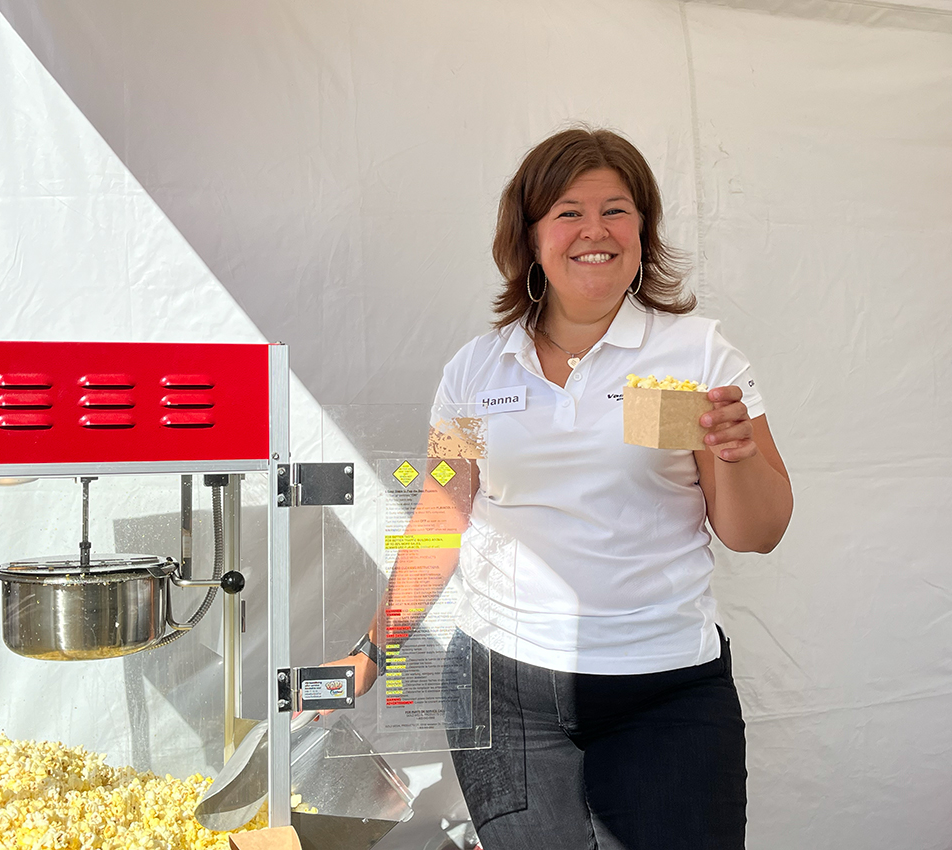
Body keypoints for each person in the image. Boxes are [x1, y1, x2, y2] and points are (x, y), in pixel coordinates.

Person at [338, 128, 793, 850]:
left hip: (664, 690)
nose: (594, 230)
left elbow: (756, 533)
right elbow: (441, 514)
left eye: (616, 210)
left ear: (643, 230)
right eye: (568, 212)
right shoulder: (476, 371)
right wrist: (376, 643)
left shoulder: (697, 355)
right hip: (501, 694)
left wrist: (735, 455)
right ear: (531, 236)